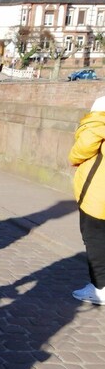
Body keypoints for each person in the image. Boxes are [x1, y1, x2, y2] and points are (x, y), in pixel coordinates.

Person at [70, 95, 105, 305]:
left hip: (97, 197)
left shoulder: (97, 126)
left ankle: (100, 289)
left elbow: (78, 153)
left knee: (95, 241)